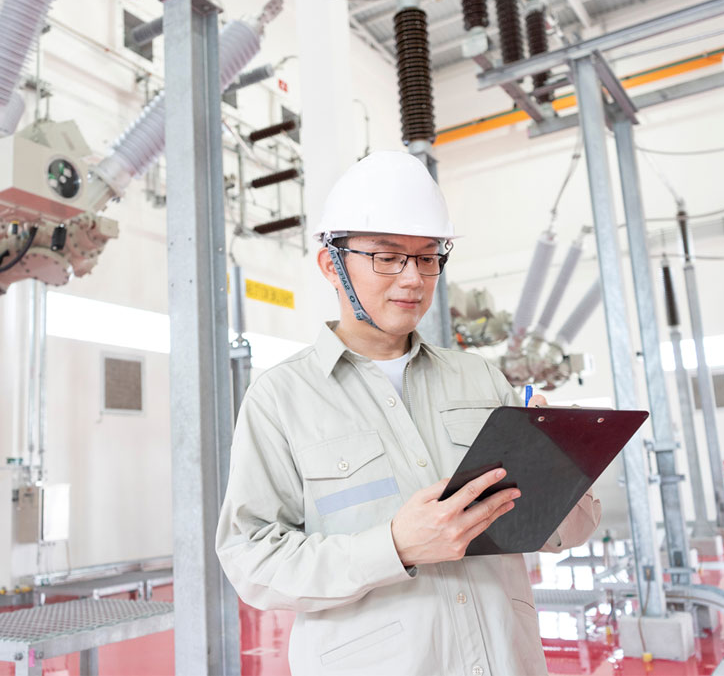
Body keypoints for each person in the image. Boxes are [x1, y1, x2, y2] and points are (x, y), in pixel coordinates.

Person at [216, 151, 601, 676]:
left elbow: (566, 531)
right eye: (388, 256)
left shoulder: (481, 379)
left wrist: (566, 474)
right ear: (331, 264)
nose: (413, 278)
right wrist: (393, 546)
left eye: (427, 257)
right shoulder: (280, 398)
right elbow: (253, 562)